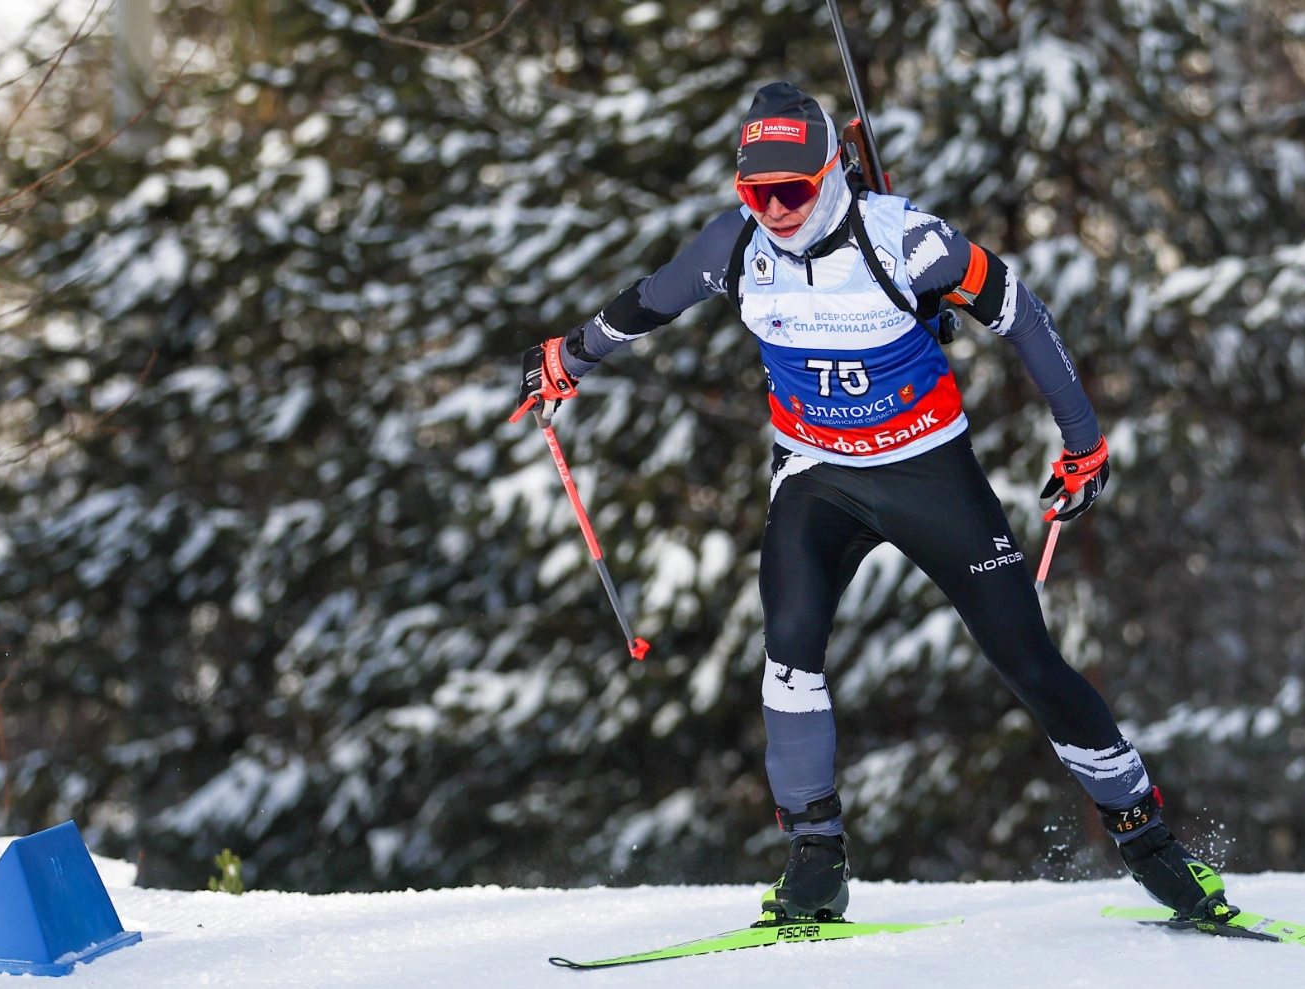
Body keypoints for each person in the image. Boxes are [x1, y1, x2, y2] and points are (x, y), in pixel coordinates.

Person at [515, 81, 1231, 925]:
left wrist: (1084, 444)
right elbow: (647, 301)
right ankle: (816, 859)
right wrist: (569, 356)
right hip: (818, 475)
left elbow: (1024, 316)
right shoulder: (732, 246)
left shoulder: (909, 242)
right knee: (789, 650)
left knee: (1028, 660)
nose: (774, 210)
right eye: (756, 192)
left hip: (929, 473)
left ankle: (1150, 843)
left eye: (793, 189)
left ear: (832, 171)